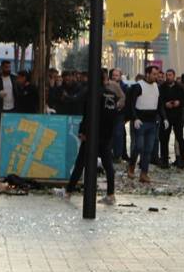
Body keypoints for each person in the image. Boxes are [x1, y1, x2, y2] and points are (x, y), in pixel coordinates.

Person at [66, 67, 124, 202]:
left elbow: (88, 115)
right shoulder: (111, 95)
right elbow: (112, 116)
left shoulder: (91, 94)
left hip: (92, 135)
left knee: (80, 163)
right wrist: (109, 135)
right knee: (108, 165)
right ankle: (111, 194)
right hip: (106, 135)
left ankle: (68, 191)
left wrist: (83, 131)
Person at [125, 66, 166, 183]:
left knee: (148, 149)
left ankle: (144, 173)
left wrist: (164, 118)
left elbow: (159, 105)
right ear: (147, 74)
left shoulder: (157, 87)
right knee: (139, 146)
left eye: (157, 74)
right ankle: (131, 166)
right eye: (154, 74)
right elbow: (131, 103)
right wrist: (135, 118)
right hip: (140, 121)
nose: (156, 76)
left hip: (152, 121)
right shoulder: (138, 86)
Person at [159, 68, 184, 168]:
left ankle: (182, 160)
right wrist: (165, 104)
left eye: (170, 75)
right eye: (167, 75)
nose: (168, 77)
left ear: (174, 76)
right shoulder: (162, 87)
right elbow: (159, 101)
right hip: (166, 117)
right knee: (164, 139)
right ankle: (164, 160)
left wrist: (178, 103)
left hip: (177, 116)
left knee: (180, 139)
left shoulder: (179, 87)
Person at [109, 68, 129, 161]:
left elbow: (127, 100)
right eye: (113, 75)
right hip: (109, 113)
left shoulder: (124, 87)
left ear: (120, 77)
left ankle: (118, 155)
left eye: (116, 75)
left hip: (120, 114)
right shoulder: (108, 85)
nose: (114, 77)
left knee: (119, 134)